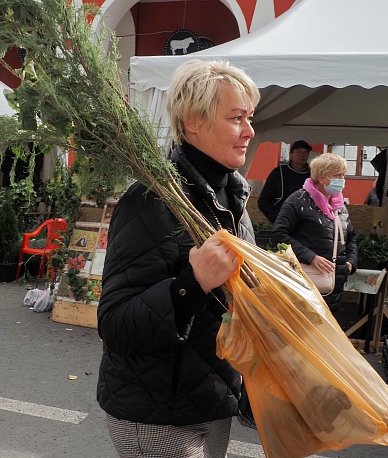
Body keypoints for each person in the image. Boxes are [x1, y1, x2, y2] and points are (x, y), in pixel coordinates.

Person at [96, 59, 259, 457]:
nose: (250, 131)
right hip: (157, 414)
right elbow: (115, 324)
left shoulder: (235, 201)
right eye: (237, 118)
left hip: (214, 400)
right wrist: (192, 283)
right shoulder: (150, 200)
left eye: (250, 118)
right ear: (193, 122)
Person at [271, 153, 357, 311]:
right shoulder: (298, 200)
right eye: (337, 175)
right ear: (321, 176)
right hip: (305, 282)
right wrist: (311, 257)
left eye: (343, 175)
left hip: (334, 285)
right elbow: (279, 235)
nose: (342, 179)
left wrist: (350, 262)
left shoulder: (339, 206)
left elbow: (351, 237)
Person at [257, 139, 312, 222]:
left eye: (305, 153)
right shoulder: (279, 172)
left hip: (305, 223)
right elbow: (263, 200)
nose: (302, 155)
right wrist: (275, 217)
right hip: (282, 220)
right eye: (298, 152)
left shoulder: (313, 175)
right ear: (291, 154)